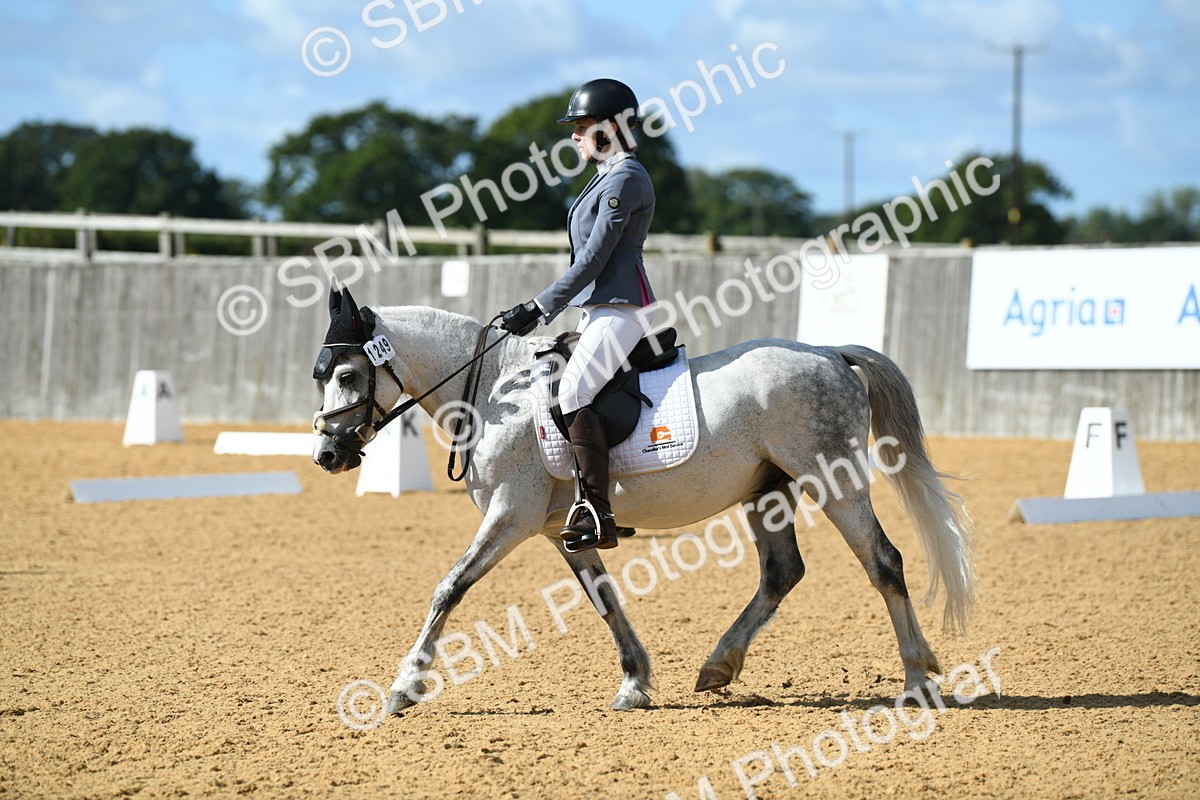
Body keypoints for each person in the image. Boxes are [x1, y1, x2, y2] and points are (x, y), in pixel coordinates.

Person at [499, 78, 657, 553]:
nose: (574, 136)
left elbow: (591, 259)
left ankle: (597, 513)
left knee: (574, 389)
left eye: (583, 127)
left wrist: (540, 305)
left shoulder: (626, 178)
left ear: (610, 130)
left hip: (622, 306)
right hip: (599, 307)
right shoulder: (607, 176)